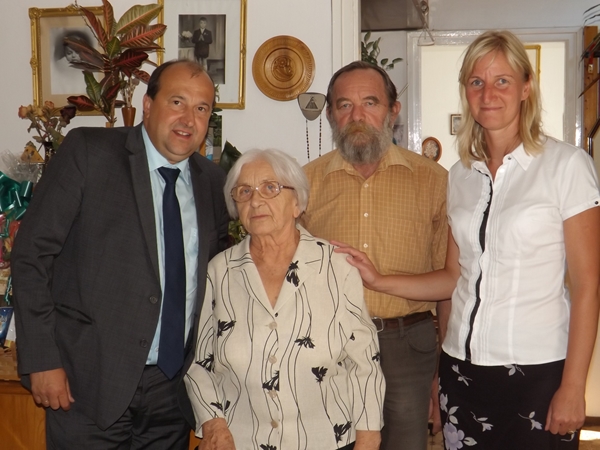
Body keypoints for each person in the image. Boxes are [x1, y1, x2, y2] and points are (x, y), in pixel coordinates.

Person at [334, 31, 600, 450]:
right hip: (461, 370)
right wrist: (379, 279)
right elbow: (452, 278)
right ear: (466, 92)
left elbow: (587, 286)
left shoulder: (567, 166)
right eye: (477, 82)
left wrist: (573, 385)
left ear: (526, 87)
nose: (488, 94)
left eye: (502, 80)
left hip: (537, 371)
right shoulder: (460, 175)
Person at [12, 59, 230, 449]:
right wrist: (42, 358)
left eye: (201, 108)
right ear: (147, 104)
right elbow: (32, 255)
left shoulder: (212, 181)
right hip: (86, 385)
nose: (188, 119)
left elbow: (218, 275)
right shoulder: (90, 152)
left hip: (171, 394)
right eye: (177, 102)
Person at [184, 149, 385, 450]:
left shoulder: (336, 267)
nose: (255, 200)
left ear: (297, 203)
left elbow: (364, 361)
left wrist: (368, 438)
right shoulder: (219, 271)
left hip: (327, 439)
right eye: (244, 191)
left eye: (270, 187)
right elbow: (198, 362)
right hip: (239, 441)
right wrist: (214, 425)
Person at [301, 60, 449, 450]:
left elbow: (450, 283)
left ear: (392, 111)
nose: (357, 116)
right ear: (330, 114)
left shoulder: (434, 181)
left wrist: (443, 371)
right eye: (344, 105)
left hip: (408, 347)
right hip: (330, 345)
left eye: (370, 102)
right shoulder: (304, 183)